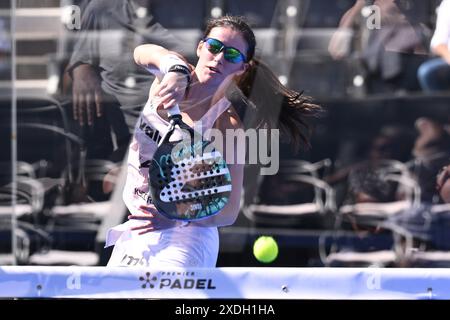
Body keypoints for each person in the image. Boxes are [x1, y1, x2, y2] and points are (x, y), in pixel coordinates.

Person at [105, 15, 322, 267]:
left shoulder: (226, 126)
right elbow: (142, 52)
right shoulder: (166, 80)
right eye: (214, 47)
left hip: (186, 237)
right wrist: (174, 68)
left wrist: (177, 217)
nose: (218, 58)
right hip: (138, 228)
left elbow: (228, 212)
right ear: (200, 47)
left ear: (242, 68)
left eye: (231, 55)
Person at [65, 0, 182, 160]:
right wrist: (82, 71)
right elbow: (78, 61)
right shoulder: (101, 8)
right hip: (121, 136)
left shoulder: (193, 9)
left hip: (179, 131)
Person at [329, 0, 429, 94]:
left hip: (403, 66)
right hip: (374, 69)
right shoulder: (369, 10)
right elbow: (344, 29)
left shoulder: (407, 9)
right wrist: (360, 5)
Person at [417, 0, 450, 92]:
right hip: (448, 61)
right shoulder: (447, 4)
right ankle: (441, 105)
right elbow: (438, 43)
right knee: (427, 72)